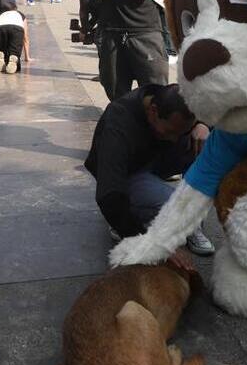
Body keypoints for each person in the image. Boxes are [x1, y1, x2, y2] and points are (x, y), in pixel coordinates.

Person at [84, 83, 214, 255]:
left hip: (156, 158)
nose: (175, 139)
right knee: (175, 204)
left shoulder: (168, 102)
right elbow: (109, 195)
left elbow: (214, 110)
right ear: (153, 111)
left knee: (202, 143)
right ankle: (129, 218)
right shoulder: (118, 123)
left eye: (182, 130)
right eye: (170, 131)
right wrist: (142, 240)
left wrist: (203, 125)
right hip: (131, 172)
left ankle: (191, 225)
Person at [0, 3, 30, 73]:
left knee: (1, 51)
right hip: (16, 28)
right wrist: (27, 57)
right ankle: (13, 59)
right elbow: (25, 37)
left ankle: (0, 56)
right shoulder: (20, 15)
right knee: (14, 51)